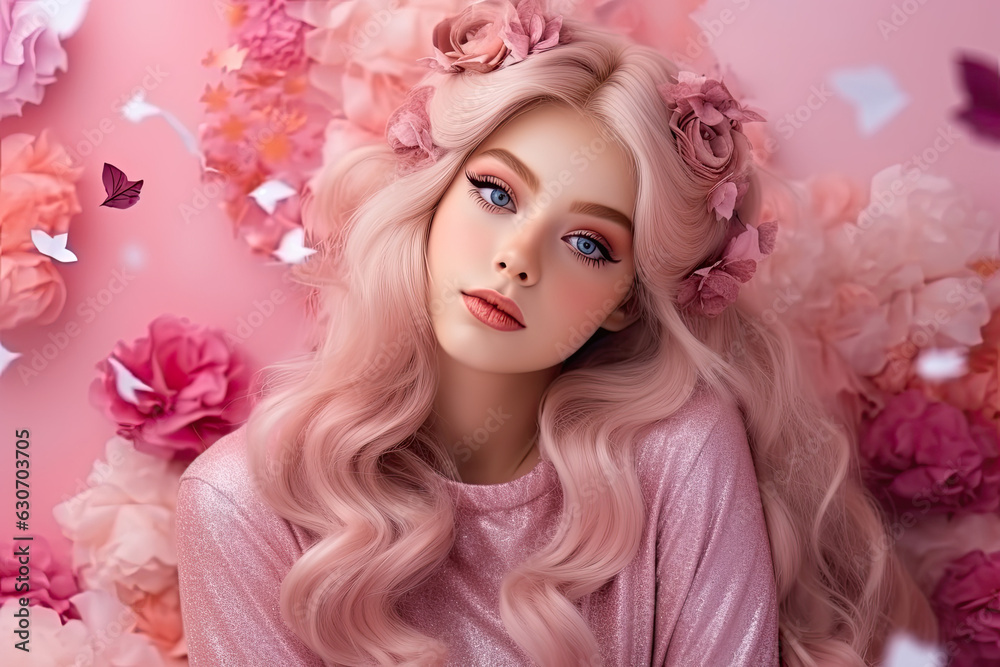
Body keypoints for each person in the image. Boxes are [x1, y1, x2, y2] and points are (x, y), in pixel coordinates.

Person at [175, 4, 939, 666]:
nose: (518, 258)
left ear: (625, 300)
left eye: (589, 244)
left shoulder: (679, 452)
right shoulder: (243, 502)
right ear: (434, 196)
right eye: (496, 192)